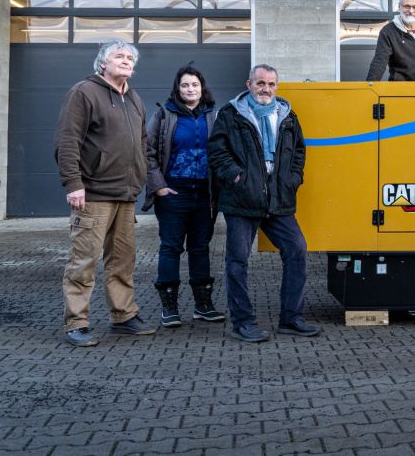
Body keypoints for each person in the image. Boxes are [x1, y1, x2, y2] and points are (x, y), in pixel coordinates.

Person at [207, 64, 321, 343]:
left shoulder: (288, 116)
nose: (265, 89)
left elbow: (298, 153)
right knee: (237, 261)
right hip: (242, 199)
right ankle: (243, 323)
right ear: (249, 84)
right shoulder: (231, 114)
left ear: (276, 87)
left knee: (297, 251)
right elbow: (217, 152)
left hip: (279, 197)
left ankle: (291, 319)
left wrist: (293, 179)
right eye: (260, 83)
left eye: (271, 84)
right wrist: (236, 178)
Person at [54, 39, 155, 347]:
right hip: (93, 194)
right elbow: (67, 141)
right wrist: (73, 183)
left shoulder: (135, 98)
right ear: (102, 63)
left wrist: (140, 181)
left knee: (123, 261)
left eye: (130, 58)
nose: (126, 61)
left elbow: (143, 145)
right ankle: (77, 322)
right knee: (84, 261)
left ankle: (123, 316)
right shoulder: (83, 92)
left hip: (126, 195)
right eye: (119, 56)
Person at [143, 64, 225, 328]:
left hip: (205, 195)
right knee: (171, 248)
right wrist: (158, 186)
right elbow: (147, 152)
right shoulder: (164, 115)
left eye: (195, 85)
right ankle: (170, 308)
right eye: (185, 85)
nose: (190, 89)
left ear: (203, 88)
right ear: (177, 89)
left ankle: (203, 306)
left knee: (200, 249)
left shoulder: (215, 115)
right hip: (173, 194)